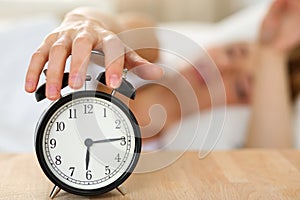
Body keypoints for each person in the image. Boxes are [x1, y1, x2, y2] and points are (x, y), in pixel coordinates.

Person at [25, 0, 300, 148]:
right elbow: (112, 25)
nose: (222, 69)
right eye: (232, 52)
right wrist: (86, 21)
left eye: (240, 87)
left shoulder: (184, 152)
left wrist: (272, 53)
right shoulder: (149, 49)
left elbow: (271, 159)